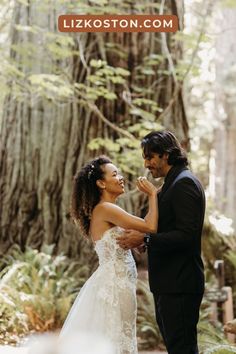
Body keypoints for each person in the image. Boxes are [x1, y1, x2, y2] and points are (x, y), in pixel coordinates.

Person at [117, 131, 205, 354]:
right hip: (169, 284)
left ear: (166, 155)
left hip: (180, 285)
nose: (147, 165)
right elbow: (168, 229)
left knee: (183, 349)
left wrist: (146, 238)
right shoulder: (171, 183)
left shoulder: (184, 184)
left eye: (150, 157)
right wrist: (145, 240)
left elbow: (187, 236)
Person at [60, 155, 158, 354]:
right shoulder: (106, 209)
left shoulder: (106, 210)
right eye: (115, 174)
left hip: (116, 282)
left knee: (117, 337)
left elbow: (141, 227)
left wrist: (137, 239)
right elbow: (150, 226)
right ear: (101, 183)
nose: (121, 177)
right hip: (116, 285)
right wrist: (153, 194)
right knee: (119, 339)